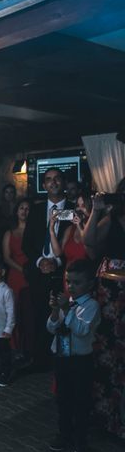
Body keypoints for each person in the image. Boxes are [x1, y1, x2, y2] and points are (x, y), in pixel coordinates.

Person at [83, 182, 125, 438]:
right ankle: (107, 417)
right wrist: (96, 211)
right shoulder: (112, 217)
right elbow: (89, 242)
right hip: (111, 291)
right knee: (109, 350)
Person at [22, 168, 74, 371]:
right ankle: (39, 360)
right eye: (48, 180)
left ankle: (62, 361)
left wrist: (57, 262)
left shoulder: (71, 210)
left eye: (57, 179)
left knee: (63, 318)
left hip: (63, 272)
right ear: (43, 185)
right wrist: (39, 261)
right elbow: (27, 244)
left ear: (63, 182)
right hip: (38, 272)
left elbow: (75, 244)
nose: (53, 183)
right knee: (39, 315)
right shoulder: (36, 210)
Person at [46, 259, 100, 452]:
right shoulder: (65, 303)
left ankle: (81, 438)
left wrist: (67, 311)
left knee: (81, 400)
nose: (71, 286)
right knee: (63, 398)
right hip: (61, 357)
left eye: (77, 283)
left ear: (89, 284)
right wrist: (54, 310)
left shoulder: (91, 306)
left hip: (80, 360)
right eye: (69, 282)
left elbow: (82, 330)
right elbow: (51, 328)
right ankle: (64, 434)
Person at [2, 199, 32, 364]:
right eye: (21, 208)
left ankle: (27, 347)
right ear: (16, 211)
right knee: (14, 311)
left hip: (31, 274)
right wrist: (22, 270)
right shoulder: (10, 233)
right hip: (16, 274)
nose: (24, 211)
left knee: (28, 313)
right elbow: (6, 257)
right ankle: (15, 348)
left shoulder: (34, 231)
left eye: (27, 209)